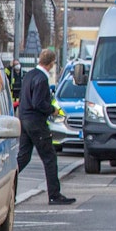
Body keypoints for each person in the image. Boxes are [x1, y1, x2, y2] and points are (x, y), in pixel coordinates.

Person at [17, 48, 76, 205]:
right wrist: (52, 109)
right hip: (36, 122)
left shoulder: (29, 75)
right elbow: (38, 103)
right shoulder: (42, 79)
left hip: (24, 120)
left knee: (23, 157)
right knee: (49, 157)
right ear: (51, 63)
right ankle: (54, 195)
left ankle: (8, 184)